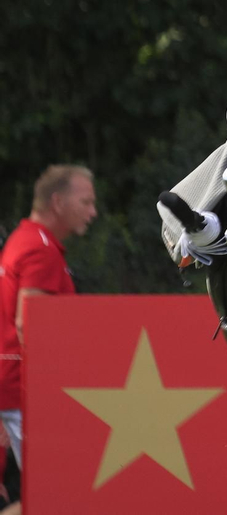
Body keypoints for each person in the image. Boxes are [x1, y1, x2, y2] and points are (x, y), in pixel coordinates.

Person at [0, 165, 96, 481]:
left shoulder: (27, 240)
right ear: (57, 202)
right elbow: (31, 325)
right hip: (25, 393)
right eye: (85, 202)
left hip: (16, 389)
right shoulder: (39, 249)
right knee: (58, 495)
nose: (92, 212)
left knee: (48, 498)